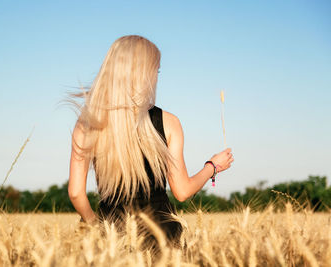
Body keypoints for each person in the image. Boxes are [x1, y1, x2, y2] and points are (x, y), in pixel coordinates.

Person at [67, 35, 234, 252]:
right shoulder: (169, 122)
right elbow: (182, 191)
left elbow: (76, 193)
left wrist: (96, 227)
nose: (157, 77)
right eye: (156, 70)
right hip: (163, 240)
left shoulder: (88, 123)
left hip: (113, 240)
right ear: (145, 74)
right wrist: (213, 166)